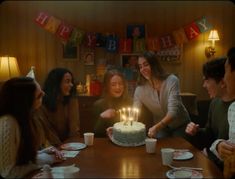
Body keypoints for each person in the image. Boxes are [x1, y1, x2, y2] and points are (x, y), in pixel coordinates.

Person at [0, 77, 64, 178]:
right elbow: (8, 173)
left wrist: (43, 152)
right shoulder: (7, 123)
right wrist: (46, 160)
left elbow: (20, 159)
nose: (44, 94)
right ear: (24, 102)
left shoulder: (26, 117)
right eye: (39, 95)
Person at [185, 57, 234, 169]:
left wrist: (211, 153)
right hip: (212, 163)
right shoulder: (215, 102)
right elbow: (210, 135)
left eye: (207, 81)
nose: (204, 85)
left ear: (222, 82)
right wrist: (196, 132)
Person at [133, 51, 190, 139]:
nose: (143, 69)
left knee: (179, 149)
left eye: (146, 64)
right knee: (159, 149)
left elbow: (173, 112)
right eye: (140, 66)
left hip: (180, 124)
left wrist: (156, 127)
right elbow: (134, 113)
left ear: (154, 65)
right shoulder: (140, 90)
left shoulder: (172, 80)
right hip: (162, 128)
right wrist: (121, 128)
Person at [35, 68, 80, 146]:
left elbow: (74, 129)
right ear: (56, 84)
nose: (71, 84)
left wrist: (73, 146)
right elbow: (48, 131)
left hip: (70, 145)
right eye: (67, 81)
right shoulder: (42, 103)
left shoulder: (72, 100)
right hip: (51, 145)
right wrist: (60, 147)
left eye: (71, 81)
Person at [93, 69, 132, 137]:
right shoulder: (98, 105)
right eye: (113, 84)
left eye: (120, 84)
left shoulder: (130, 103)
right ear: (107, 87)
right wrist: (102, 117)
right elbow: (96, 134)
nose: (118, 87)